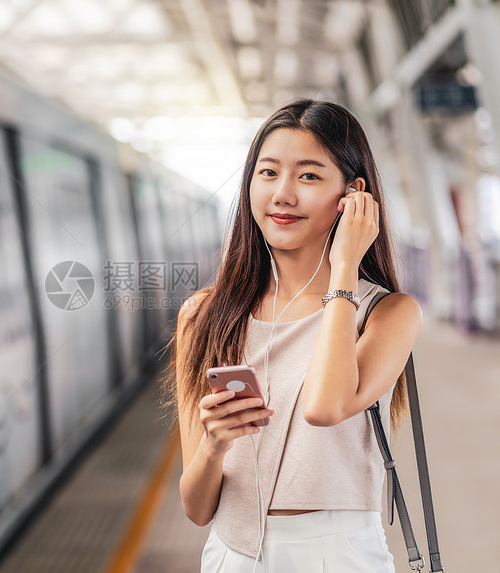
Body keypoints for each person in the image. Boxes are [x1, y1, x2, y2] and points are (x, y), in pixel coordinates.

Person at [166, 99, 423, 572]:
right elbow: (196, 508)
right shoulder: (203, 316)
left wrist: (345, 268)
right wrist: (215, 444)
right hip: (230, 556)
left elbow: (324, 407)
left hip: (339, 556)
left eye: (308, 176)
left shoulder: (386, 313)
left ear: (353, 194)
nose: (282, 194)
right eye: (267, 173)